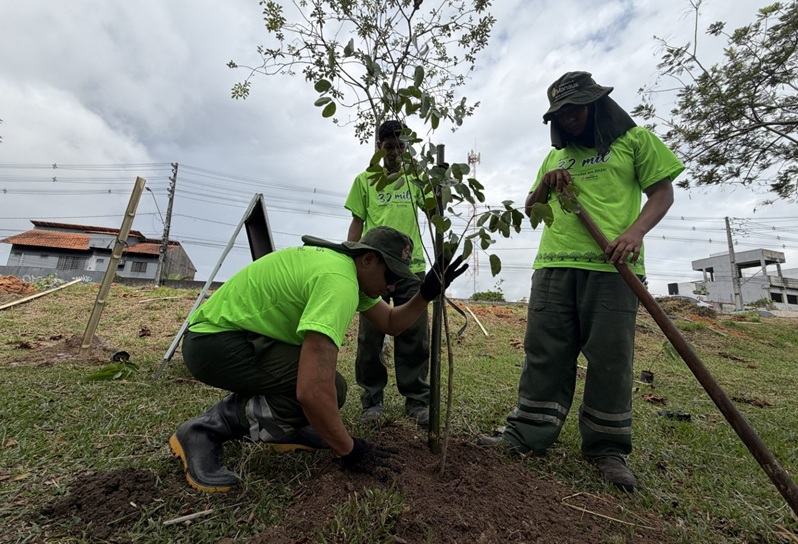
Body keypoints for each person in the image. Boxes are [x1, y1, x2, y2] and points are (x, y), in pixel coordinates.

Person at [480, 71, 684, 492]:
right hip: (554, 266)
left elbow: (662, 193)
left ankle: (607, 449)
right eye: (561, 113)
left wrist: (635, 233)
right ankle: (527, 433)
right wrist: (544, 184)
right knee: (545, 353)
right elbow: (531, 207)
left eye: (575, 109)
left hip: (612, 267)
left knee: (610, 361)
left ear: (594, 104)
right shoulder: (555, 156)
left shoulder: (634, 140)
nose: (569, 118)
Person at [169, 226, 467, 492]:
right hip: (214, 344)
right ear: (368, 259)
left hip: (234, 336)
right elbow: (312, 390)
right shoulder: (339, 282)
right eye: (390, 276)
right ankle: (205, 429)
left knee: (326, 392)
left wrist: (425, 295)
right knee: (325, 390)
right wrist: (350, 451)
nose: (391, 288)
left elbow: (390, 322)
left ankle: (281, 429)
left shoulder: (347, 270)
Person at [345, 120, 432, 427]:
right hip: (375, 269)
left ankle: (418, 401)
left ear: (407, 148)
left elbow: (434, 212)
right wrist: (352, 256)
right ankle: (372, 400)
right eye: (389, 146)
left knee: (414, 336)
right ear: (379, 147)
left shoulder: (416, 178)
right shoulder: (365, 180)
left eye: (400, 146)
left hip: (412, 268)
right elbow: (357, 223)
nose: (395, 152)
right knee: (370, 338)